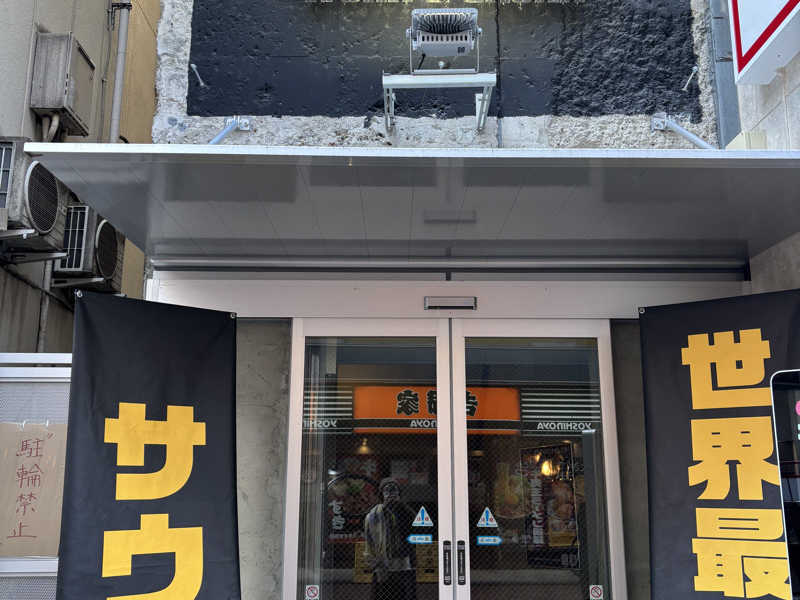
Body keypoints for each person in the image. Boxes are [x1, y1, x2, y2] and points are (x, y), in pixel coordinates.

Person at [363, 478, 417, 600]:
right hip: (383, 564)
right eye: (387, 490)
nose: (391, 493)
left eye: (394, 490)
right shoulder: (374, 515)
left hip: (403, 563)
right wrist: (373, 561)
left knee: (405, 594)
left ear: (399, 493)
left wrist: (401, 505)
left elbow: (420, 529)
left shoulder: (406, 511)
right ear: (382, 494)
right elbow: (369, 541)